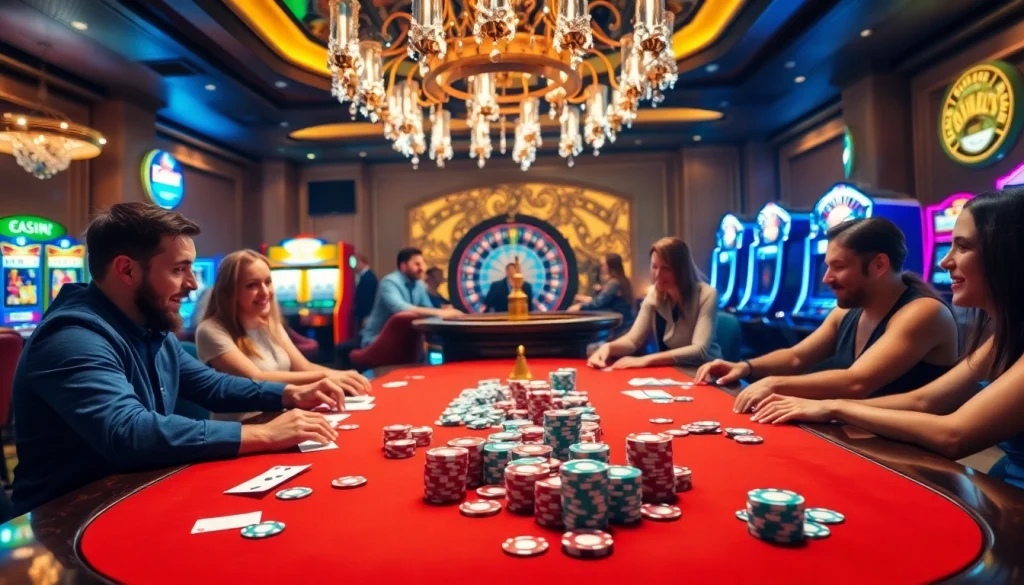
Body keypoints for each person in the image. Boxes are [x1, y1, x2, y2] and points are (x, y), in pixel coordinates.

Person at [10, 203, 347, 515]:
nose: (193, 283)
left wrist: (289, 394)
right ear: (126, 270)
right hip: (69, 520)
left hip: (134, 495)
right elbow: (128, 431)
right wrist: (264, 435)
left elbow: (211, 386)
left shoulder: (148, 328)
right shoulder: (71, 337)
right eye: (179, 269)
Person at [746, 188, 1024, 489]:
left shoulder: (923, 311)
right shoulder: (1002, 336)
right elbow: (923, 400)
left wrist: (834, 407)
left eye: (963, 247)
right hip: (1000, 479)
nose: (945, 262)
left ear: (1008, 254)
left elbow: (954, 435)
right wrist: (822, 405)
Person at [695, 217, 960, 414]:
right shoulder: (848, 311)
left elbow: (857, 382)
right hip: (859, 433)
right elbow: (796, 357)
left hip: (915, 457)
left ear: (879, 265)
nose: (826, 278)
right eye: (827, 266)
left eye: (839, 267)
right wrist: (745, 367)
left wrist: (773, 384)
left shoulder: (923, 312)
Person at [196, 250, 371, 417]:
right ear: (229, 292)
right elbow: (257, 379)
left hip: (282, 418)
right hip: (243, 430)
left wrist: (341, 375)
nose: (265, 292)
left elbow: (304, 367)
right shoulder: (210, 330)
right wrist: (327, 377)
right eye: (252, 285)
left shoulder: (269, 323)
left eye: (268, 282)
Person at [587, 237, 722, 369]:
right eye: (654, 267)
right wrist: (607, 347)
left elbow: (699, 350)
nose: (657, 274)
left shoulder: (707, 294)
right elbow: (632, 341)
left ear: (682, 269)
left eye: (666, 268)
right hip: (675, 370)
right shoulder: (654, 294)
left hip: (707, 372)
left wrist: (646, 360)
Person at [360, 247, 462, 347]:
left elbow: (428, 310)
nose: (422, 268)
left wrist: (444, 311)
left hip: (401, 339)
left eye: (423, 264)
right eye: (417, 264)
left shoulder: (419, 284)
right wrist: (441, 313)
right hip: (376, 340)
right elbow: (401, 309)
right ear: (403, 266)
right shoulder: (389, 282)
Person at [569, 253, 636, 337]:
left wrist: (580, 306)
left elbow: (598, 303)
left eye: (603, 265)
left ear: (610, 266)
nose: (602, 268)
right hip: (626, 325)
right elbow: (601, 300)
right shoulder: (623, 281)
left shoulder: (614, 283)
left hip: (620, 329)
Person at [353, 253, 377, 331]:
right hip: (364, 314)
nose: (353, 266)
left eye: (355, 263)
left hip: (366, 315)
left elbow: (367, 298)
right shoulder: (364, 276)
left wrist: (367, 316)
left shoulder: (368, 277)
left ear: (361, 262)